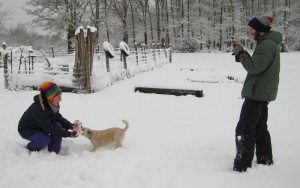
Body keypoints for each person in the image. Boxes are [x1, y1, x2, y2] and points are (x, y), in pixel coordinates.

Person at [231, 16, 282, 172]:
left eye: (252, 29)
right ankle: (265, 159)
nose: (249, 31)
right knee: (260, 128)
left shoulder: (266, 46)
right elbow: (258, 66)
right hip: (261, 91)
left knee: (244, 129)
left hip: (256, 93)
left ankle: (242, 166)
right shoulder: (268, 43)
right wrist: (242, 53)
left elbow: (254, 68)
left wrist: (241, 52)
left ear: (261, 30)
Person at [18, 82, 79, 154]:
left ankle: (53, 152)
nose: (61, 99)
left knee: (58, 125)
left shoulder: (51, 105)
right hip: (27, 130)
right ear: (50, 98)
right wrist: (69, 134)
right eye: (58, 97)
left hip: (40, 126)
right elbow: (50, 129)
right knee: (45, 139)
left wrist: (71, 126)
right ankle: (30, 148)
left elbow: (58, 117)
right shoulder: (39, 109)